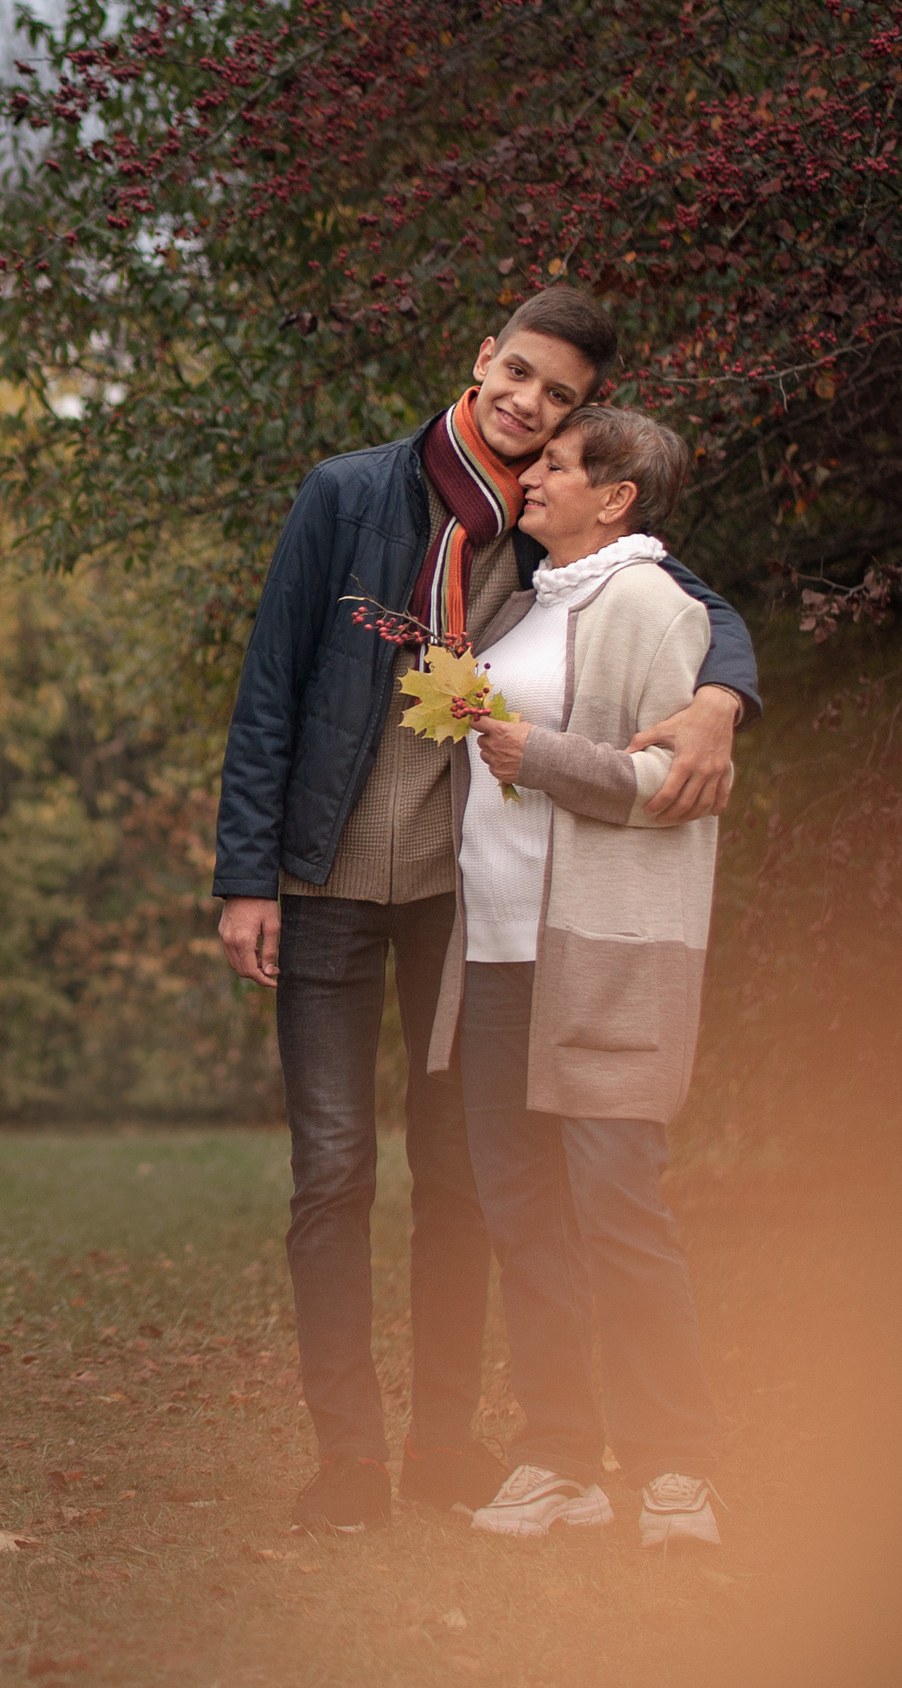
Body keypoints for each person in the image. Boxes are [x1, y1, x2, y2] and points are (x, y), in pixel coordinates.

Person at [211, 287, 761, 1532]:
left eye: (558, 399)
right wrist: (246, 874)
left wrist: (722, 699)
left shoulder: (543, 527)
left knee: (458, 1174)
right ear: (481, 360)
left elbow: (694, 603)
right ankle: (348, 1459)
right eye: (518, 374)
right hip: (323, 884)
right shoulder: (347, 494)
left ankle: (447, 1445)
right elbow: (270, 686)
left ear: (576, 421)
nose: (527, 405)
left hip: (457, 906)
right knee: (333, 1169)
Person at [440, 407, 728, 1548]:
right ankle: (562, 1458)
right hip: (495, 954)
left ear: (616, 497)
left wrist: (541, 757)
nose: (531, 478)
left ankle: (676, 1470)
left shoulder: (654, 606)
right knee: (524, 1219)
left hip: (603, 958)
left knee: (619, 1211)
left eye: (555, 466)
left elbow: (680, 784)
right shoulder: (521, 602)